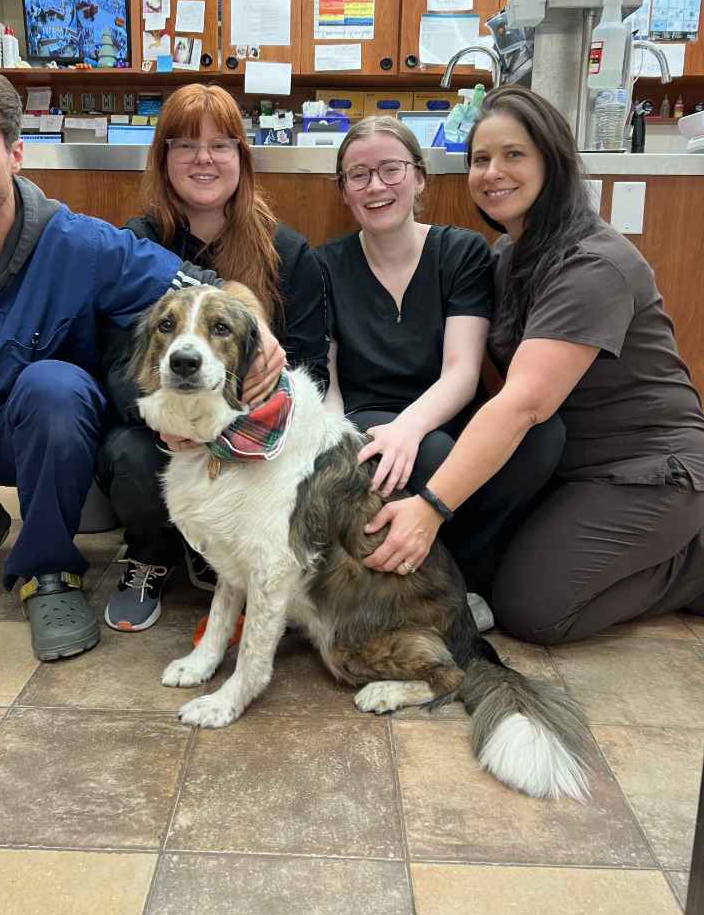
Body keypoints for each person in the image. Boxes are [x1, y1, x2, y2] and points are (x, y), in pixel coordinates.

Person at [0, 63, 282, 662]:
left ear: (16, 153)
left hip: (47, 433)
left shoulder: (81, 243)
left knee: (54, 386)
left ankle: (48, 574)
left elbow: (210, 287)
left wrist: (261, 329)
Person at [363, 86, 704, 644]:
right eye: (480, 159)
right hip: (572, 469)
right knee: (493, 574)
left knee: (533, 611)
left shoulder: (593, 265)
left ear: (553, 160)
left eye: (514, 155)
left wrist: (429, 509)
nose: (492, 172)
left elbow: (524, 403)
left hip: (650, 471)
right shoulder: (507, 256)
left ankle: (690, 565)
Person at [98, 83, 328, 633]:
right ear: (163, 159)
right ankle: (150, 554)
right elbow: (116, 364)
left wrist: (240, 428)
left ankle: (231, 557)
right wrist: (172, 427)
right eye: (184, 144)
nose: (203, 158)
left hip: (254, 429)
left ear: (241, 161)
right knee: (130, 455)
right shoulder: (134, 245)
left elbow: (310, 364)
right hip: (167, 426)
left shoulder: (288, 252)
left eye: (221, 145)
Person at [316, 116, 565, 601]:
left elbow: (463, 371)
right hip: (365, 417)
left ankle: (458, 567)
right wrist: (334, 438)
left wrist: (410, 426)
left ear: (419, 177)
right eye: (358, 175)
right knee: (432, 456)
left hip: (444, 409)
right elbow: (325, 374)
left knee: (541, 435)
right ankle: (444, 581)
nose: (376, 186)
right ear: (344, 191)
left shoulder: (460, 252)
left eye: (391, 169)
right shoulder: (324, 264)